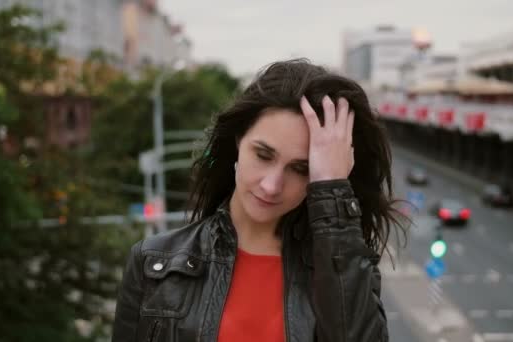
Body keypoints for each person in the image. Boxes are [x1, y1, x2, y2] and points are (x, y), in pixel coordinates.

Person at [112, 59, 403, 342]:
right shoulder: (153, 263)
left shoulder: (340, 270)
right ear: (239, 140)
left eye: (301, 169)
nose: (271, 185)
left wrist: (332, 189)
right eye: (263, 155)